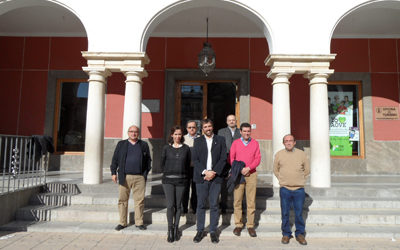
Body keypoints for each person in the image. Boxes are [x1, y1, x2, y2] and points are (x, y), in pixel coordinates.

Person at [110, 125, 152, 231]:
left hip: (139, 177)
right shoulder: (121, 144)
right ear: (128, 133)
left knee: (139, 201)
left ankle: (139, 222)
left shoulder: (143, 145)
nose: (133, 133)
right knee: (123, 200)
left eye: (136, 132)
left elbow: (148, 160)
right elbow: (115, 159)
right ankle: (122, 222)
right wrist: (113, 172)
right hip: (125, 176)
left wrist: (145, 174)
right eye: (131, 131)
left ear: (138, 133)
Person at [192, 119, 227, 244]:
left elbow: (224, 158)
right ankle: (200, 230)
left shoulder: (221, 140)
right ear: (202, 128)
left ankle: (213, 231)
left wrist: (213, 172)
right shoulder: (197, 141)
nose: (208, 128)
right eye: (205, 126)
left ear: (213, 127)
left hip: (216, 177)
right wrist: (205, 172)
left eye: (209, 126)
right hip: (201, 178)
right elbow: (195, 160)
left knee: (214, 205)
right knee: (200, 204)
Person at [273, 134, 310, 245]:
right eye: (286, 141)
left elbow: (307, 170)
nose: (288, 142)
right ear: (283, 143)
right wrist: (282, 180)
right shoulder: (279, 154)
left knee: (298, 213)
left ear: (294, 142)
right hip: (285, 188)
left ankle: (300, 234)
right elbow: (275, 170)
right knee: (285, 213)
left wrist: (299, 179)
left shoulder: (302, 154)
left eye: (290, 140)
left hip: (299, 189)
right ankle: (286, 234)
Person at [229, 122, 261, 237]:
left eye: (248, 131)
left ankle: (250, 226)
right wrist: (239, 169)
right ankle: (238, 224)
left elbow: (258, 158)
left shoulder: (255, 143)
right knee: (237, 200)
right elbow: (231, 158)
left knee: (251, 201)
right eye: (245, 131)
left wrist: (249, 168)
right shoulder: (235, 143)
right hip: (238, 174)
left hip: (251, 174)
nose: (247, 133)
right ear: (241, 132)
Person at [161, 126, 191, 243]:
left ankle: (176, 228)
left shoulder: (186, 149)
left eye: (179, 134)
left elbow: (188, 164)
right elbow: (162, 164)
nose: (178, 136)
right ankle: (169, 229)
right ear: (172, 135)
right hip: (168, 180)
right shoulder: (166, 148)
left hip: (181, 180)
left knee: (178, 206)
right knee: (170, 205)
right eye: (176, 134)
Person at [217, 114, 241, 213]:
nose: (231, 122)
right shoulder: (221, 132)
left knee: (239, 183)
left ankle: (239, 207)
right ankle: (223, 205)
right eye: (229, 120)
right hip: (225, 160)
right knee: (224, 184)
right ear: (227, 122)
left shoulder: (240, 132)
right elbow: (219, 146)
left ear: (236, 121)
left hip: (238, 160)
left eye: (233, 120)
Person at [182, 120, 199, 214]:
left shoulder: (201, 138)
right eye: (189, 127)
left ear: (196, 128)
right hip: (186, 168)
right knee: (185, 188)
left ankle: (194, 208)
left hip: (197, 168)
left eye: (193, 127)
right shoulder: (183, 139)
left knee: (195, 189)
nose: (191, 129)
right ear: (186, 129)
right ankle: (184, 208)